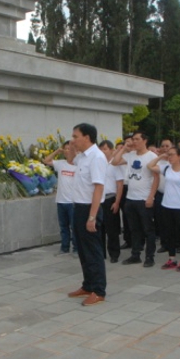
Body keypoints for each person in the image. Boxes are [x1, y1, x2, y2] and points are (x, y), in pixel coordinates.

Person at [67, 123, 107, 306]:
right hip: (79, 207)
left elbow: (98, 187)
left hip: (90, 209)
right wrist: (71, 147)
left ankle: (98, 290)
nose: (73, 140)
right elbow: (70, 161)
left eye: (76, 136)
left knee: (93, 251)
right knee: (83, 250)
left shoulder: (96, 157)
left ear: (87, 137)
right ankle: (88, 285)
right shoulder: (82, 156)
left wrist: (92, 217)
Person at [112, 131, 159, 267]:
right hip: (131, 198)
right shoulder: (131, 155)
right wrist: (123, 149)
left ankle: (149, 256)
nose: (134, 142)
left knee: (148, 229)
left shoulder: (152, 156)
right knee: (134, 229)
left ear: (145, 141)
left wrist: (151, 197)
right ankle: (135, 255)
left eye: (137, 139)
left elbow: (156, 178)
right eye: (133, 139)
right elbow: (115, 162)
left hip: (144, 198)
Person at [148, 146, 180, 272]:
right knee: (169, 233)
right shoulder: (166, 168)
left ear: (179, 156)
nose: (170, 157)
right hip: (167, 205)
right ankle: (172, 258)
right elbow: (150, 166)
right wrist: (160, 157)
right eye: (168, 154)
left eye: (172, 154)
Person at [43, 141, 77, 257]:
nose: (67, 151)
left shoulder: (78, 165)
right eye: (65, 149)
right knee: (63, 227)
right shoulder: (61, 164)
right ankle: (64, 247)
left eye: (70, 149)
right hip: (61, 201)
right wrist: (57, 151)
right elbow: (46, 161)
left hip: (73, 202)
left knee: (74, 227)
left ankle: (76, 249)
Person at [98, 139, 124, 263]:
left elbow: (120, 185)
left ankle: (114, 254)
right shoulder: (97, 164)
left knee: (112, 229)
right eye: (101, 149)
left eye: (105, 149)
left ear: (111, 150)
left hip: (110, 199)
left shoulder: (115, 165)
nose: (103, 152)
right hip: (98, 200)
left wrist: (117, 202)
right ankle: (101, 253)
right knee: (99, 228)